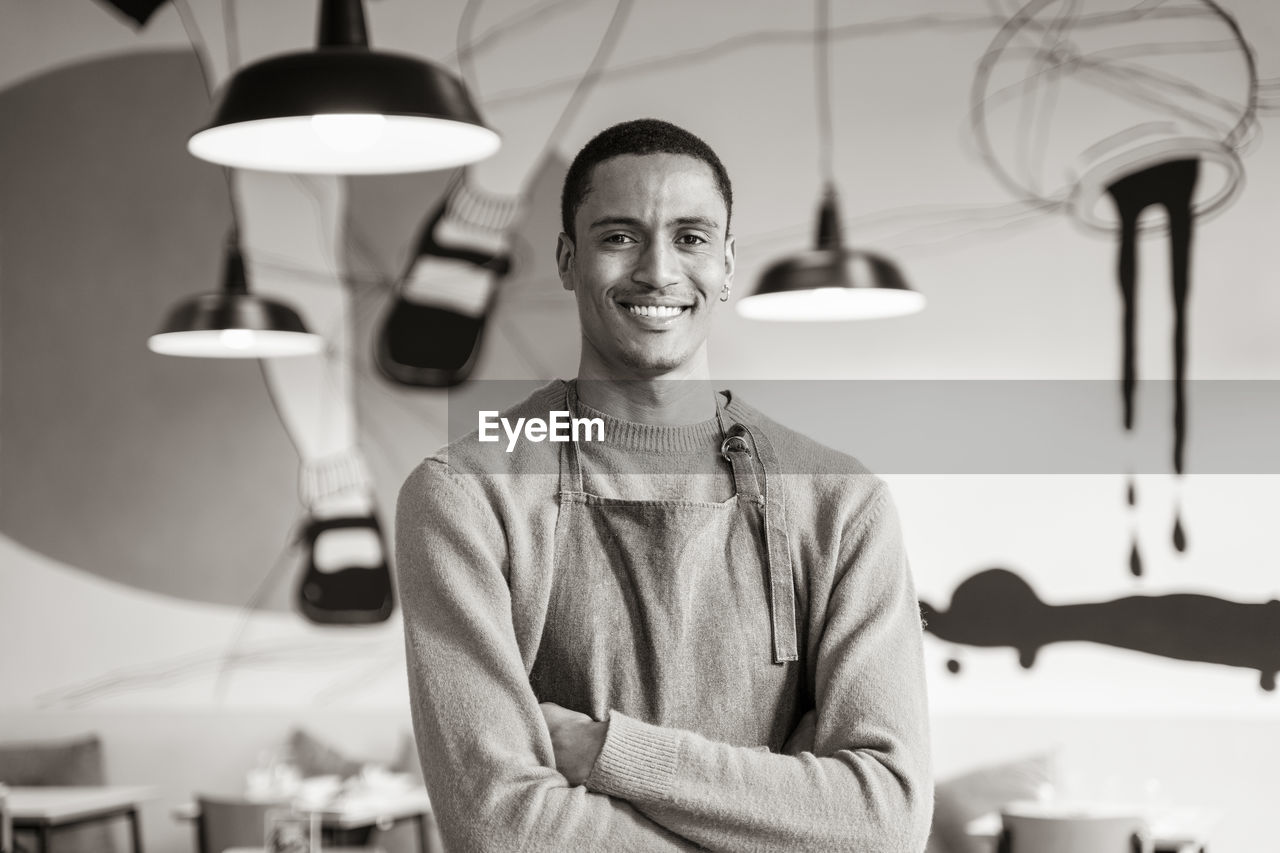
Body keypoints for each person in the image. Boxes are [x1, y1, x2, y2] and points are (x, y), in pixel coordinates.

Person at [396, 118, 932, 852]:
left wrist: (598, 751)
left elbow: (885, 821)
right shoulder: (464, 496)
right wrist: (786, 816)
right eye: (619, 236)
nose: (657, 270)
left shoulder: (841, 502)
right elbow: (500, 825)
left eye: (690, 237)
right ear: (565, 259)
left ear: (729, 261)